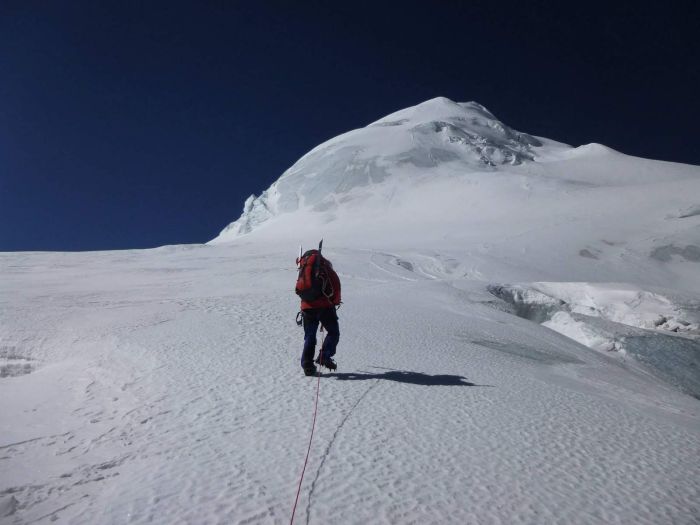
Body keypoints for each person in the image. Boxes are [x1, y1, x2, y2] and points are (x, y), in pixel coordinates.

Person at [295, 249, 341, 376]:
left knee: (310, 336)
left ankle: (307, 365)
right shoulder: (324, 265)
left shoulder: (302, 267)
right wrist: (335, 302)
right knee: (333, 332)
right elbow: (336, 285)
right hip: (325, 306)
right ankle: (324, 355)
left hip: (307, 307)